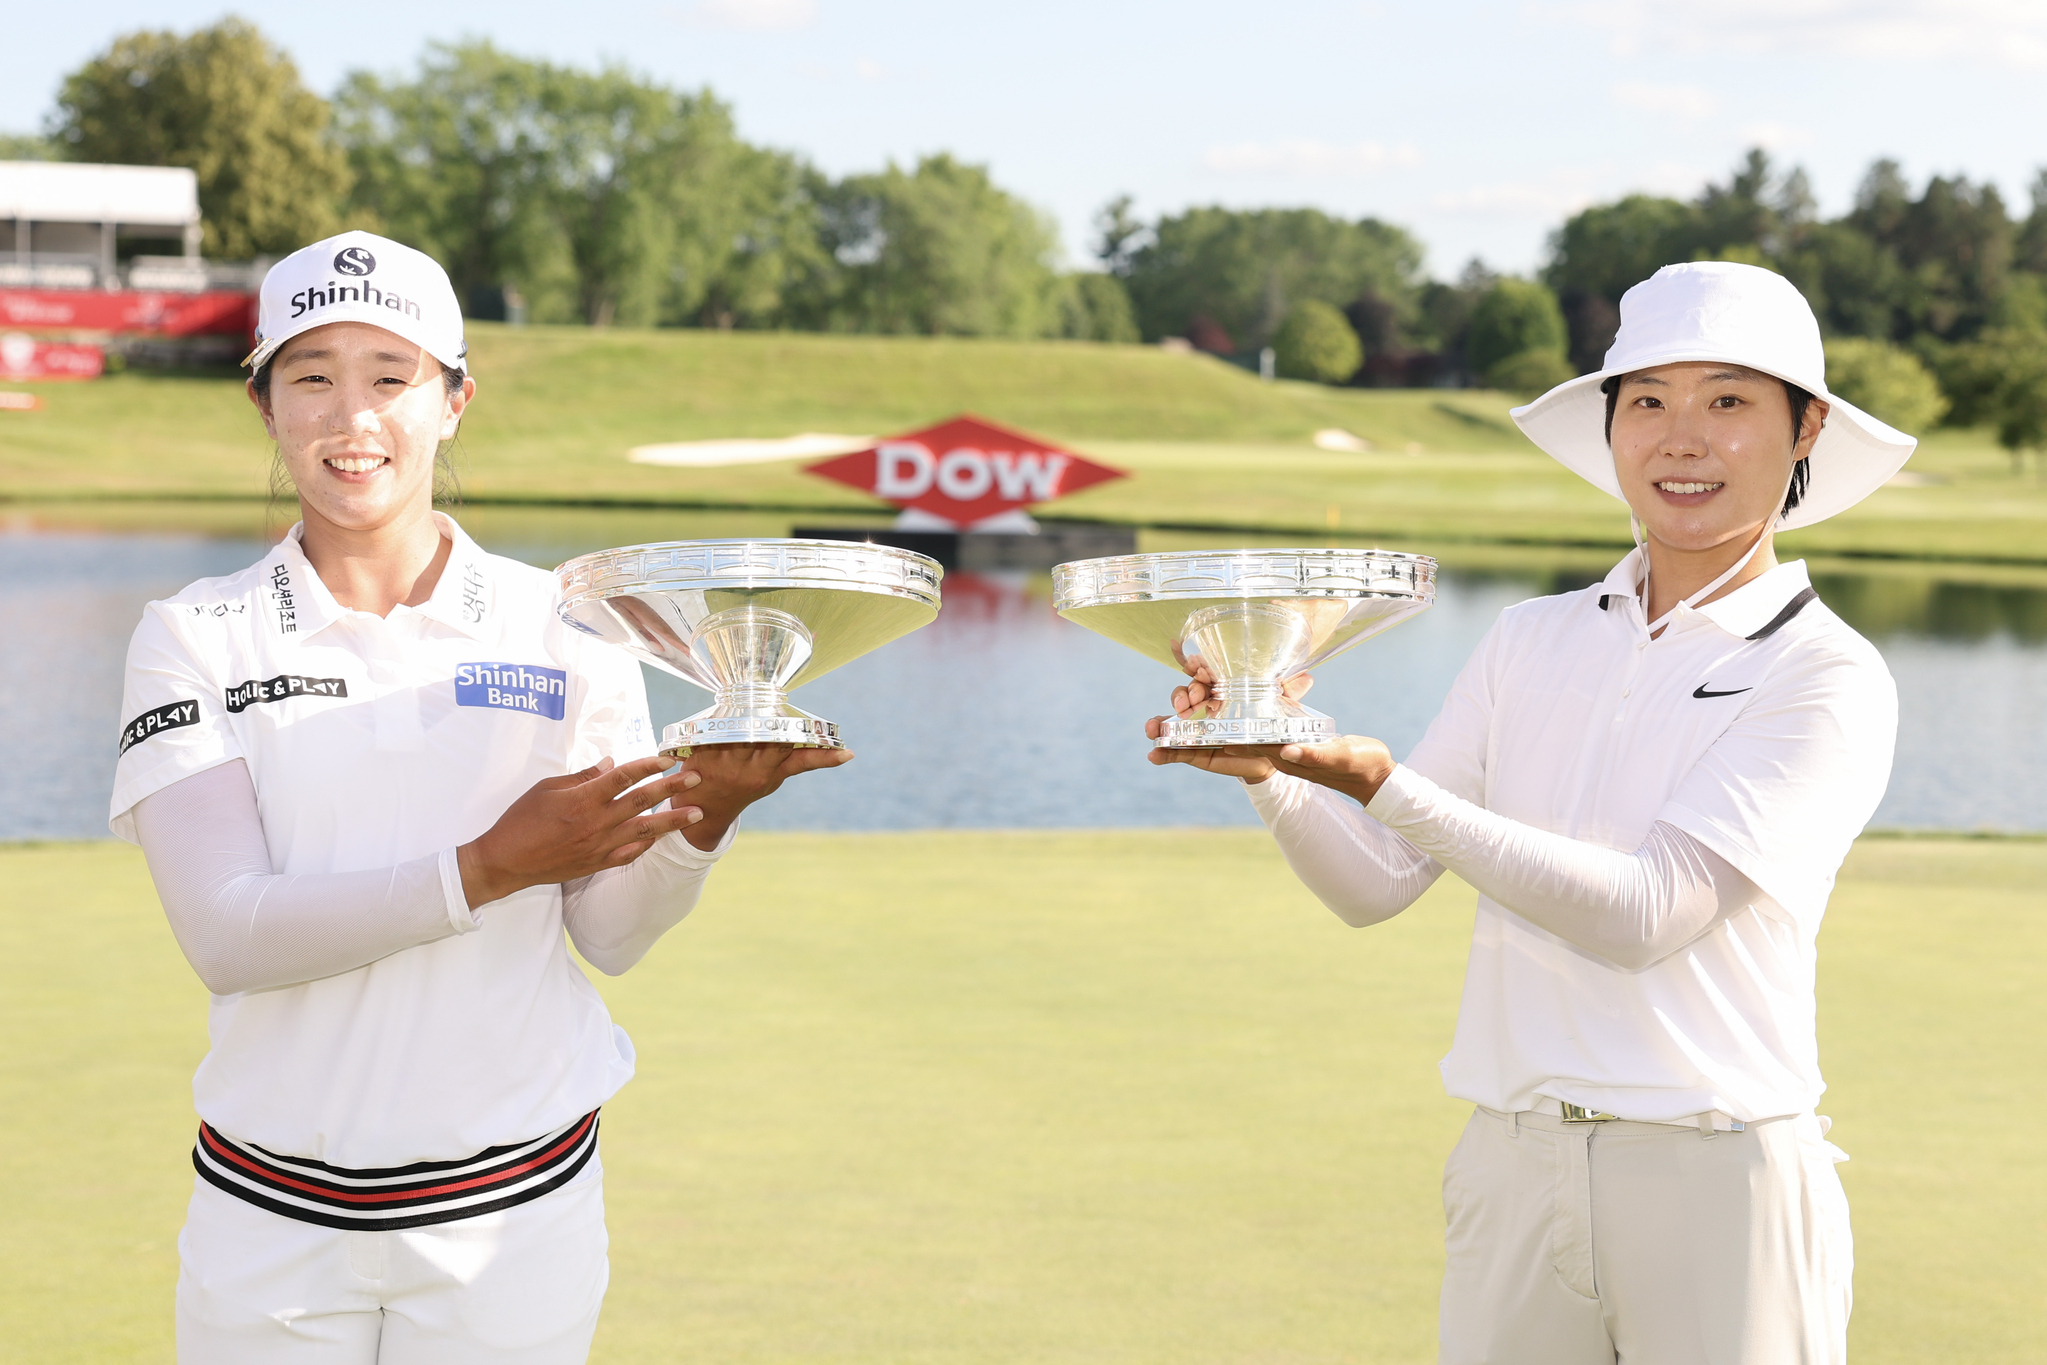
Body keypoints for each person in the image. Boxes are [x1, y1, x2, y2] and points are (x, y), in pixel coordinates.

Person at [1147, 262, 1914, 1363]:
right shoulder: (1529, 637)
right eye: (1646, 401)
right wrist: (1274, 770)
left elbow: (1645, 915)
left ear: (1805, 430)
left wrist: (1379, 782)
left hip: (1718, 1179)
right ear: (1610, 429)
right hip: (1511, 1167)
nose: (1680, 439)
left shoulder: (1824, 673)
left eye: (1729, 401)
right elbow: (1374, 884)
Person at [109, 230, 847, 1363]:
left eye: (390, 377)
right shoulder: (195, 634)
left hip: (512, 1221)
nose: (353, 417)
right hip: (268, 1223)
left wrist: (707, 816)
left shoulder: (573, 622)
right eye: (312, 377)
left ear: (452, 400)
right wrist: (488, 865)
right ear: (265, 405)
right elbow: (226, 932)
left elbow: (607, 933)